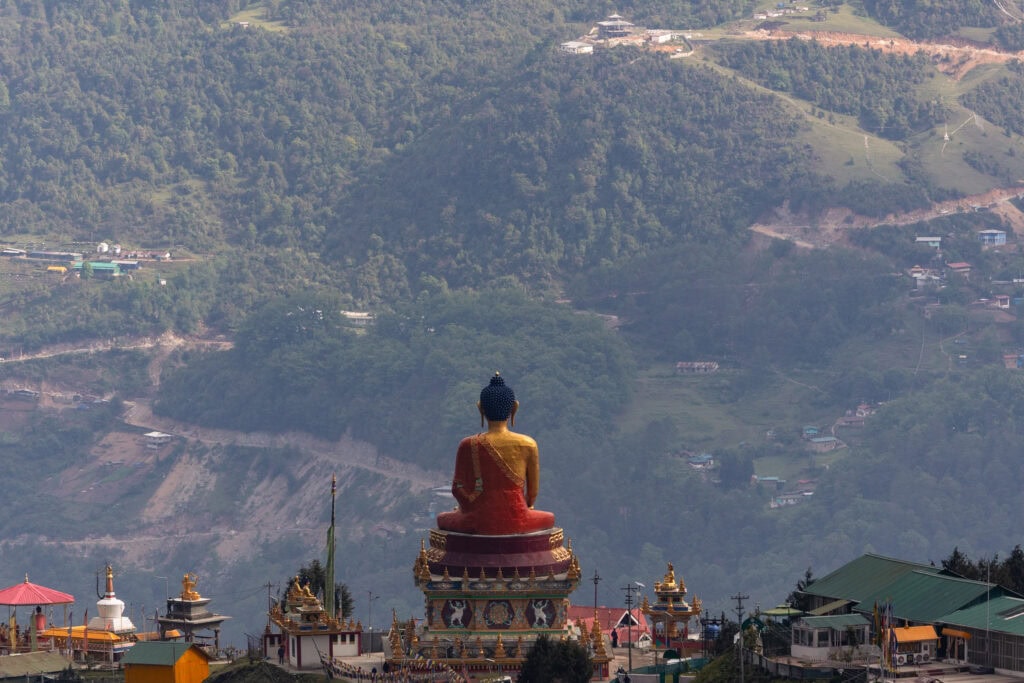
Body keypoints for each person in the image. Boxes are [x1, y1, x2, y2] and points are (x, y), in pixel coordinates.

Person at [436, 373, 555, 535]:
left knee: (442, 518)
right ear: (514, 408)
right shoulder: (528, 444)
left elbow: (457, 488)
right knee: (549, 518)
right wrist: (521, 509)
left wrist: (468, 507)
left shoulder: (468, 444)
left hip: (476, 519)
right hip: (518, 518)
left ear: (480, 408)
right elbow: (532, 494)